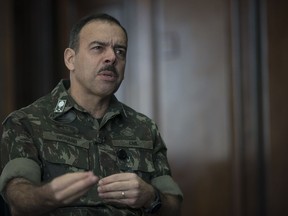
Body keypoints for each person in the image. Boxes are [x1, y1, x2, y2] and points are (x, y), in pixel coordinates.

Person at [0, 13, 183, 216]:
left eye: (120, 51)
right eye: (98, 48)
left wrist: (150, 197)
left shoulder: (145, 128)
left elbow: (173, 207)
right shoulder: (25, 123)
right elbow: (17, 197)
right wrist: (47, 196)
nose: (112, 57)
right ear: (71, 59)